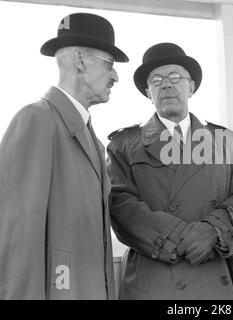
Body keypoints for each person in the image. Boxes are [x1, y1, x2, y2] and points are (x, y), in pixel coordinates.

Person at [107, 42, 233, 300]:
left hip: (214, 274)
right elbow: (120, 206)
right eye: (156, 79)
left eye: (175, 77)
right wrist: (180, 236)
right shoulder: (123, 145)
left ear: (190, 87)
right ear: (148, 91)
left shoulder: (223, 140)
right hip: (155, 279)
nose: (166, 84)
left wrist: (213, 231)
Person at [0, 13, 128, 299]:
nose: (116, 76)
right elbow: (16, 240)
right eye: (110, 64)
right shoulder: (36, 120)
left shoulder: (93, 139)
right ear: (81, 61)